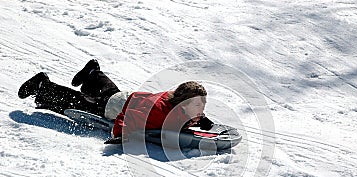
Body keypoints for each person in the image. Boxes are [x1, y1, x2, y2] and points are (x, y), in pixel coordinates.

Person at [18, 59, 214, 141]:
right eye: (198, 105)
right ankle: (42, 86)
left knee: (109, 92)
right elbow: (129, 118)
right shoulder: (159, 112)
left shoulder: (176, 105)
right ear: (183, 103)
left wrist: (196, 119)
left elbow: (178, 116)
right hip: (116, 107)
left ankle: (94, 73)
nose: (201, 109)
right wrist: (119, 134)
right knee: (76, 103)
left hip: (128, 98)